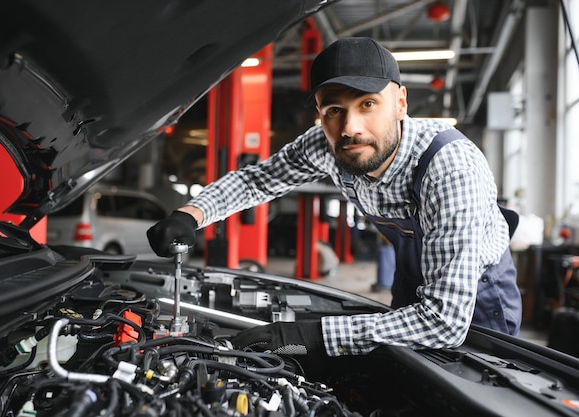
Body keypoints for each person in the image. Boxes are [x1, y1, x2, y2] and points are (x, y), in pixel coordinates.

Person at [147, 37, 522, 356]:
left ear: (401, 103)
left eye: (368, 105)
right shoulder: (326, 145)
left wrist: (313, 335)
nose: (350, 128)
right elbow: (258, 181)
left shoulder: (450, 168)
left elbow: (443, 322)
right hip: (413, 279)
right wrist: (191, 213)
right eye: (334, 110)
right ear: (319, 113)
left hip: (479, 297)